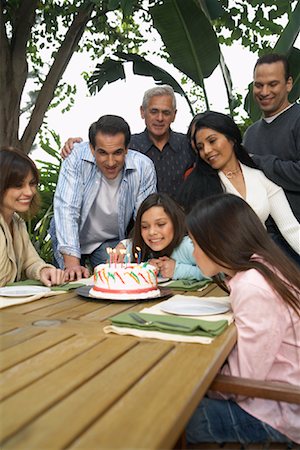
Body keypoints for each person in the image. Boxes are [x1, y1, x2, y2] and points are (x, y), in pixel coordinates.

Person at [185, 193, 300, 446]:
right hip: (282, 395)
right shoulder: (264, 266)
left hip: (281, 410)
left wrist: (193, 384)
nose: (193, 254)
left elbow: (241, 382)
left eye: (195, 244)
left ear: (216, 241)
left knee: (179, 414)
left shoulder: (252, 286)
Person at [176, 111, 300, 258]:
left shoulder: (259, 176)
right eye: (200, 147)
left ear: (232, 138)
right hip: (222, 269)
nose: (207, 151)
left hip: (263, 264)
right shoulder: (198, 187)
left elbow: (291, 229)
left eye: (212, 141)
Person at [50, 115, 157, 281]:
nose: (110, 162)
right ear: (92, 149)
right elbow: (66, 208)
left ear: (127, 148)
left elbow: (146, 219)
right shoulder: (75, 157)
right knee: (70, 282)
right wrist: (71, 264)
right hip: (70, 237)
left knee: (118, 281)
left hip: (108, 241)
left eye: (117, 153)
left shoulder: (143, 167)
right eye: (102, 153)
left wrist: (127, 245)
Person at [60, 85, 195, 199]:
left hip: (184, 224)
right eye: (154, 111)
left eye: (166, 113)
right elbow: (101, 148)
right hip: (133, 226)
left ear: (174, 115)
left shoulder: (189, 145)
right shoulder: (128, 146)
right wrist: (74, 147)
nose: (160, 118)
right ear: (142, 112)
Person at [243, 53, 300, 262]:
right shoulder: (250, 133)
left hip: (296, 238)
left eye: (273, 84)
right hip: (261, 241)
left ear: (288, 84)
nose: (264, 92)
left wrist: (258, 161)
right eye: (259, 85)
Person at [0, 147, 65, 287]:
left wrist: (43, 270)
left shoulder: (17, 222)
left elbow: (30, 262)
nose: (29, 192)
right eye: (18, 185)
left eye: (32, 183)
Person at [115, 193, 206, 280]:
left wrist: (177, 270)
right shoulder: (138, 247)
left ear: (175, 222)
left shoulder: (189, 246)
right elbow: (114, 270)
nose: (152, 232)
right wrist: (146, 267)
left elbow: (219, 272)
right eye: (145, 227)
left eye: (161, 224)